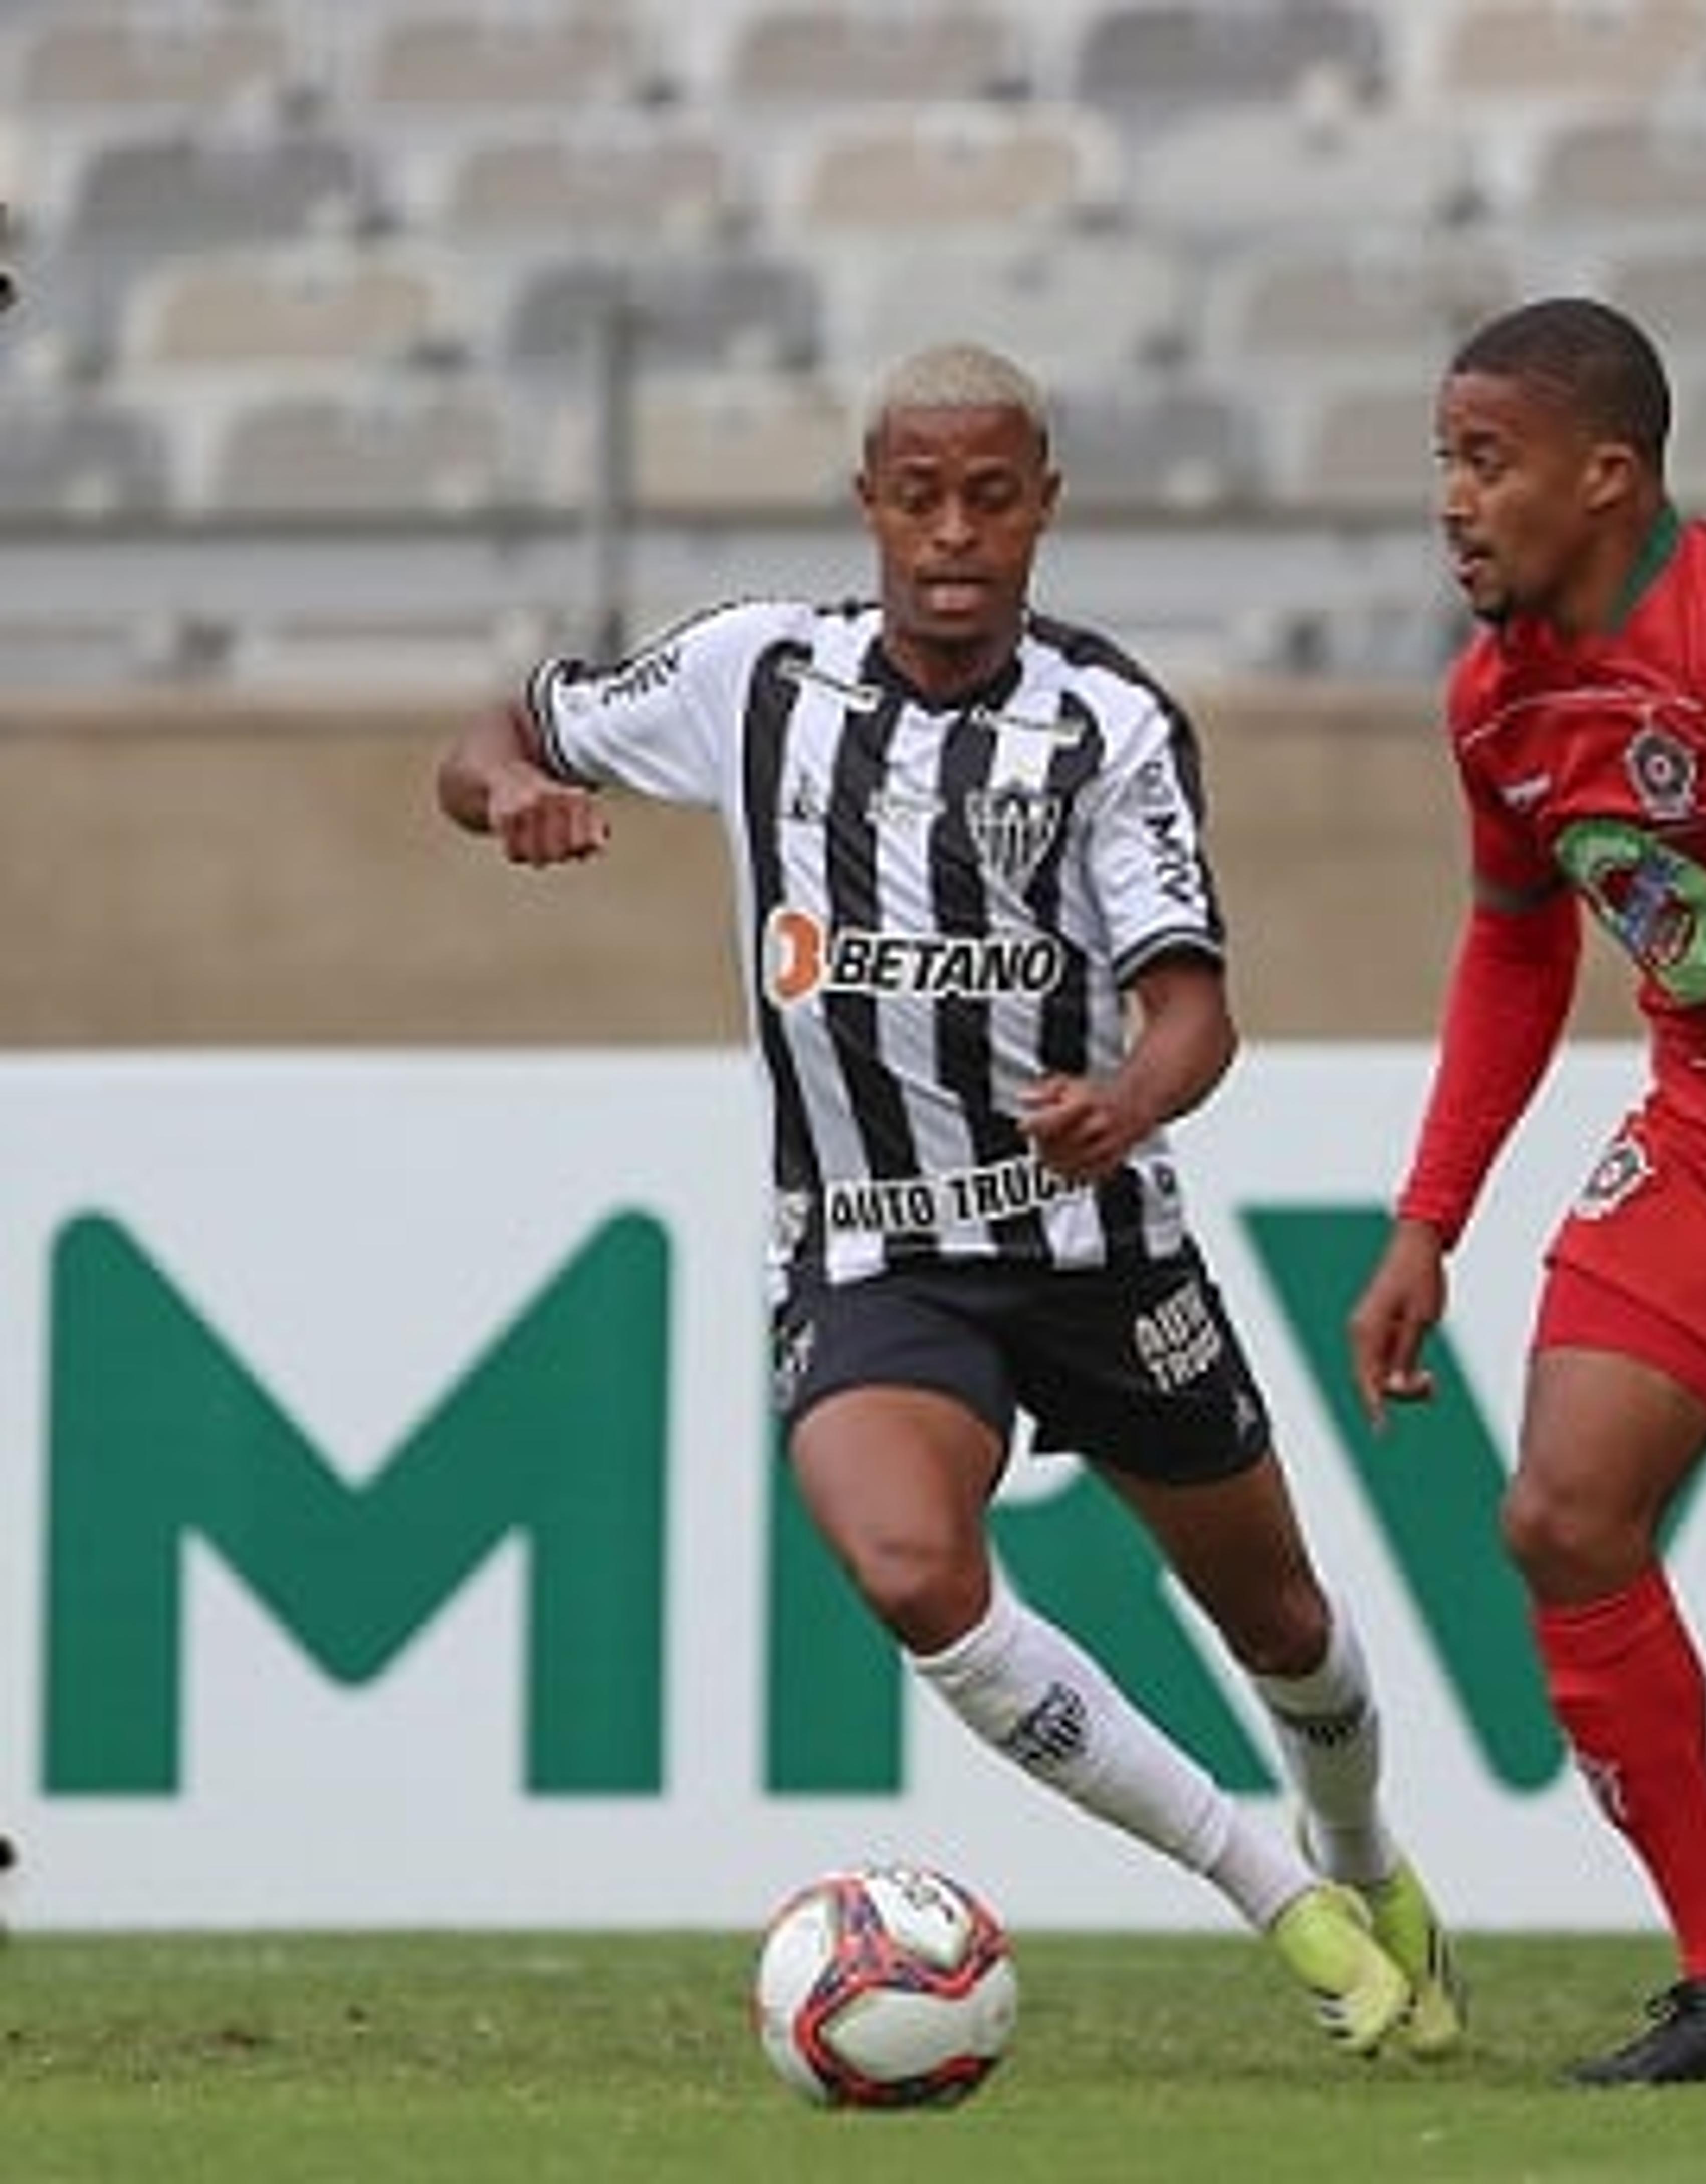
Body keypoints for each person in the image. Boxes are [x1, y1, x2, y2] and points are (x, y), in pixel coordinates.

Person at [439, 341, 1463, 2060]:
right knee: (917, 1572)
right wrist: (514, 796)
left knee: (1280, 1620)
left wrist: (1125, 1099)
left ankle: (1359, 1855)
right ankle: (1270, 1901)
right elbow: (488, 739)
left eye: (991, 495)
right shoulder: (753, 675)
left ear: (1046, 506)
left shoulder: (1109, 724)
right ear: (869, 506)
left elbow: (1195, 1010)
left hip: (1097, 1246)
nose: (953, 533)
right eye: (919, 496)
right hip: (872, 1256)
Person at [1350, 294, 1706, 2085]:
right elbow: (1518, 958)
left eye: (1485, 460)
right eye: (1444, 459)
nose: (1453, 499)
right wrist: (1428, 1220)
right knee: (1562, 1516)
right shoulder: (1496, 701)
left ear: (1606, 477)